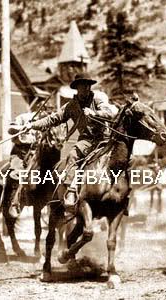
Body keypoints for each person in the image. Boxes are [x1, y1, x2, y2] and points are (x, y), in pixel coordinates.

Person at [22, 73, 118, 215]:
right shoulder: (71, 106)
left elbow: (112, 111)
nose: (85, 88)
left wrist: (95, 113)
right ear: (77, 88)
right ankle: (71, 191)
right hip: (87, 141)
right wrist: (32, 125)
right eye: (82, 86)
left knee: (125, 156)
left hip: (105, 139)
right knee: (72, 155)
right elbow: (52, 119)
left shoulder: (98, 98)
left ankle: (124, 193)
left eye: (88, 85)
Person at [7, 101, 48, 218]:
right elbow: (11, 129)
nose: (44, 112)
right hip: (21, 153)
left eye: (47, 110)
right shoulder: (24, 117)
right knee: (17, 173)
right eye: (43, 109)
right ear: (38, 108)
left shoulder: (48, 122)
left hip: (38, 154)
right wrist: (21, 129)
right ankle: (15, 201)